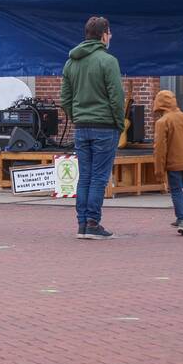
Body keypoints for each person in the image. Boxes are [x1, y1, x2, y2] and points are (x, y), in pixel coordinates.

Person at [60, 16, 124, 240]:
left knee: (85, 176)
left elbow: (65, 98)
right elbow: (117, 97)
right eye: (110, 33)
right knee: (99, 176)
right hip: (105, 126)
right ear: (104, 35)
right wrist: (119, 123)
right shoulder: (108, 61)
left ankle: (82, 224)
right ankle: (93, 222)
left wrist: (76, 116)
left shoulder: (71, 62)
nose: (111, 37)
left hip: (81, 126)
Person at [152, 90, 183, 236]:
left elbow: (159, 149)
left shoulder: (162, 122)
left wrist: (159, 171)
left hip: (173, 162)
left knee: (176, 191)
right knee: (179, 190)